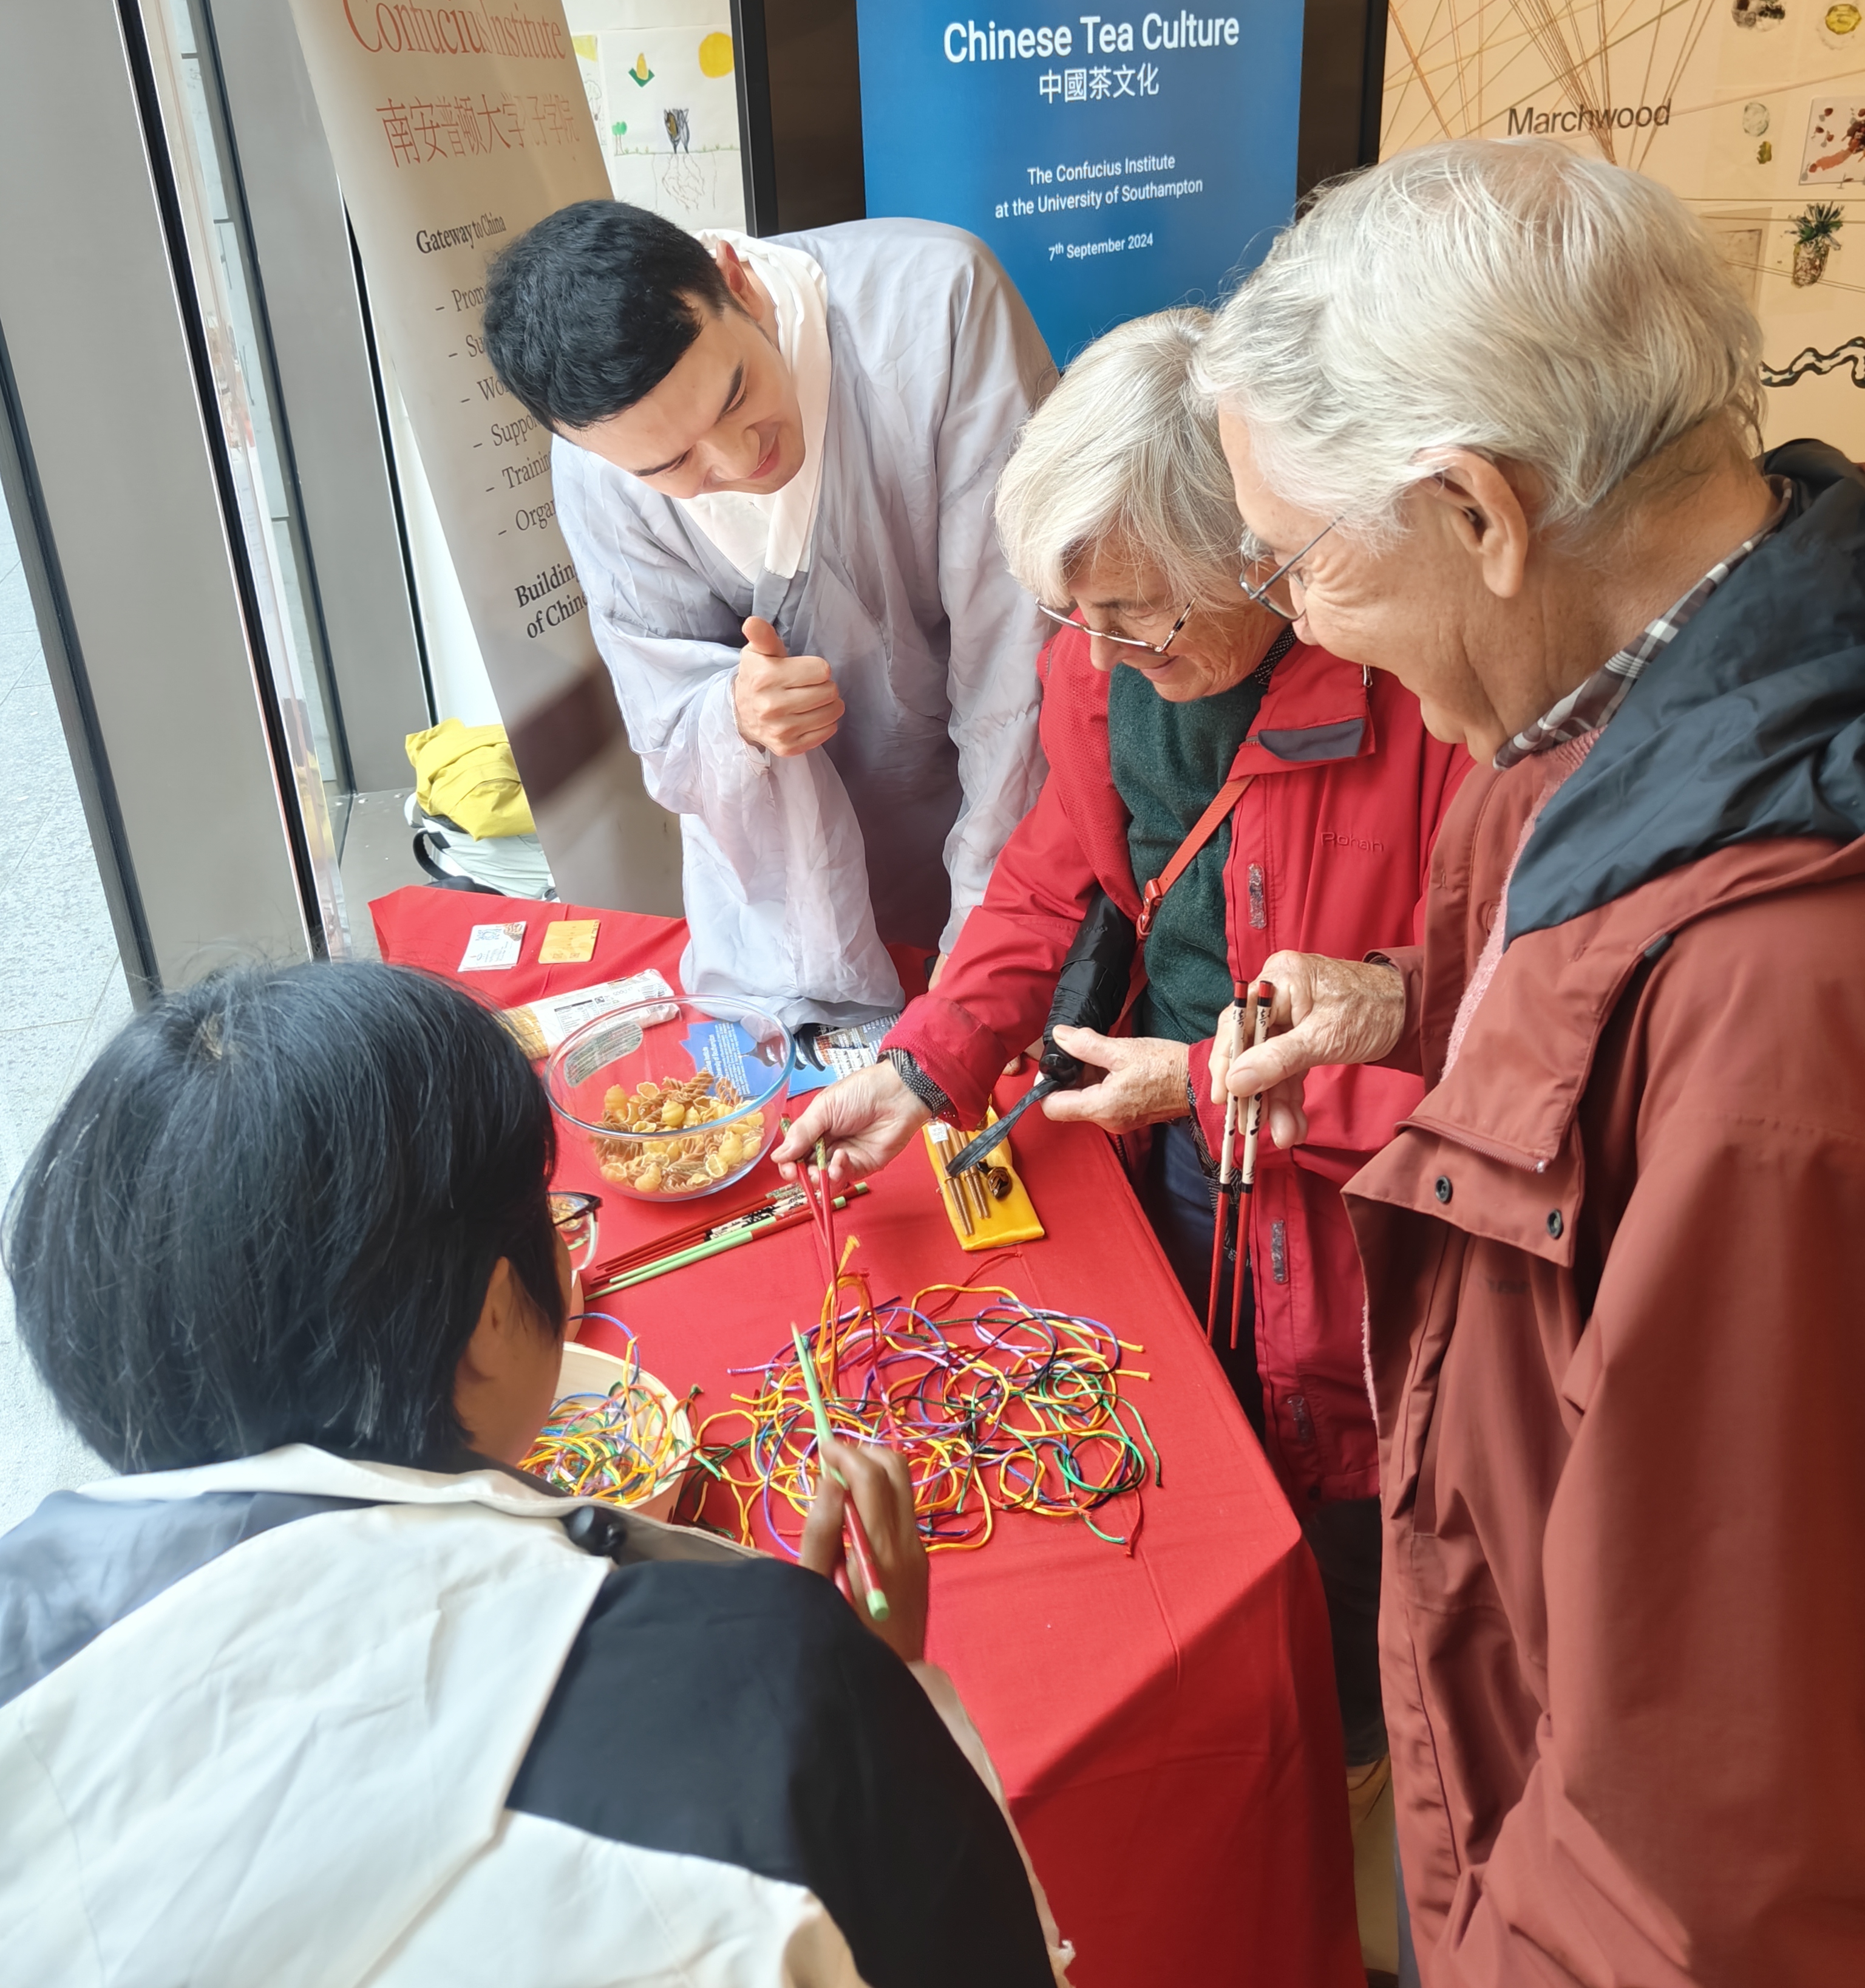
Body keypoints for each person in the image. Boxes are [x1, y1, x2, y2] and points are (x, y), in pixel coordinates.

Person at [1201, 137, 1865, 1984]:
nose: (1298, 621)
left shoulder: (1781, 1006)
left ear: (1480, 513)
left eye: (1300, 566)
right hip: (1508, 1770)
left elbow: (1723, 1808)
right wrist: (1408, 1003)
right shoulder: (1639, 699)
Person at [776, 310, 1468, 1927]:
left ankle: (1339, 1795)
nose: (1102, 652)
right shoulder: (1100, 659)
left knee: (1337, 1510)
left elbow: (1484, 1022)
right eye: (1078, 619)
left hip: (1344, 1197)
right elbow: (1055, 875)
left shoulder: (1418, 690)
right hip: (1164, 1129)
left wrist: (1235, 1088)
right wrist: (923, 1065)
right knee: (1174, 1467)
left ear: (1261, 553)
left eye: (1140, 619)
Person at [0, 962, 1068, 1986]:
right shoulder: (778, 1704)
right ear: (486, 1326)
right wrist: (879, 1683)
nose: (569, 1248)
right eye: (553, 1213)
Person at [484, 203, 1053, 1024]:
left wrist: (988, 949)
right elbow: (667, 724)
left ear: (738, 284)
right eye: (675, 462)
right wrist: (737, 715)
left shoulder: (938, 305)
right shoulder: (598, 474)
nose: (741, 458)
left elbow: (1019, 656)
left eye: (736, 394)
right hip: (797, 873)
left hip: (997, 809)